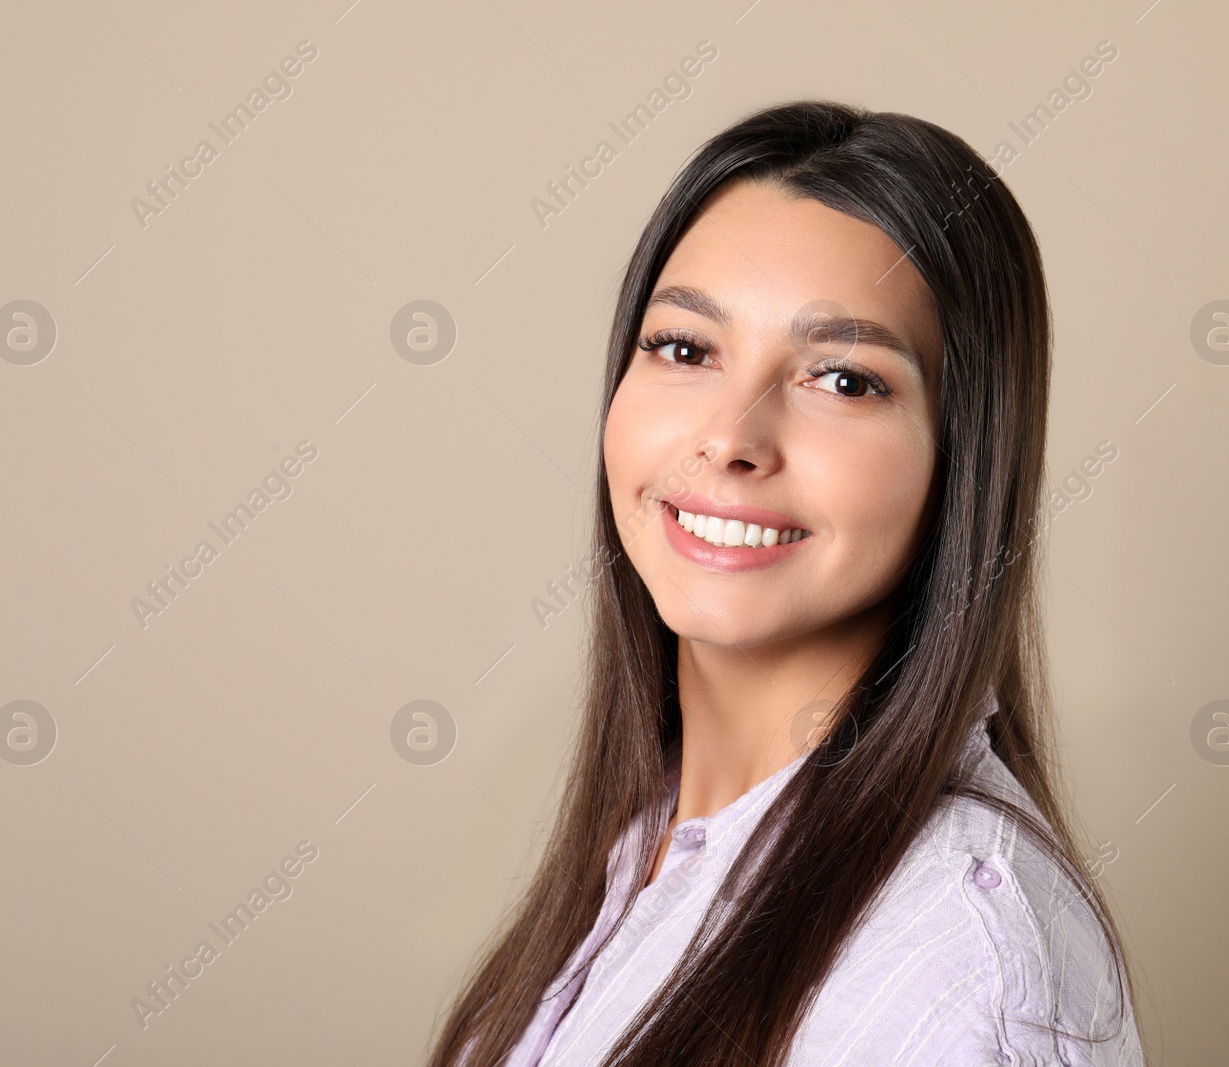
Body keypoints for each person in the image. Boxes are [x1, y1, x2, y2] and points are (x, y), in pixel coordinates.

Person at [427, 99, 1145, 1067]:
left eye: (842, 379)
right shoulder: (648, 845)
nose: (729, 437)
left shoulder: (955, 958)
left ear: (963, 457)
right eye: (684, 348)